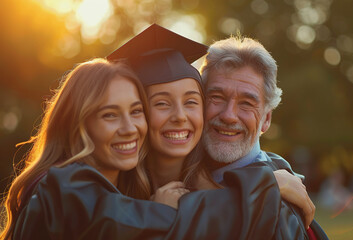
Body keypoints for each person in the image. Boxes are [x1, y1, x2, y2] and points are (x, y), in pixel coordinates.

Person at [1, 27, 289, 240]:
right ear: (79, 123)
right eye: (110, 114)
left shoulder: (140, 183)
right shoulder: (62, 189)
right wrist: (269, 186)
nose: (128, 127)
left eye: (191, 101)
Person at [199, 36, 328, 239]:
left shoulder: (278, 211)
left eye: (247, 103)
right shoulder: (176, 175)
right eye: (216, 97)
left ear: (266, 119)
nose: (228, 115)